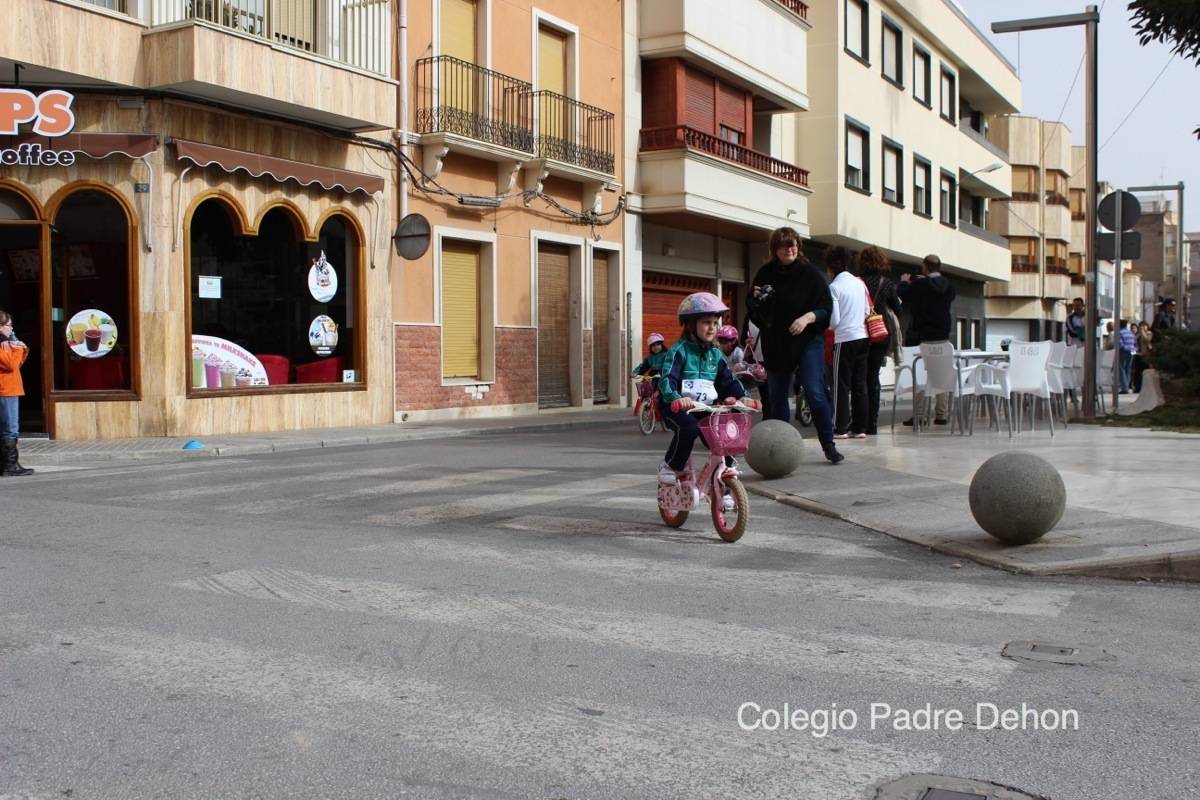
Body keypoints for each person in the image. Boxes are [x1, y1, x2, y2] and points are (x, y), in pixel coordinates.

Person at [746, 227, 843, 464]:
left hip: (808, 340)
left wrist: (807, 318)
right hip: (777, 341)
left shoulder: (810, 273)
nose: (789, 249)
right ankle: (781, 449)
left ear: (798, 247)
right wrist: (756, 299)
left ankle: (828, 444)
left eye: (793, 245)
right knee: (778, 396)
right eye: (783, 245)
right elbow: (753, 308)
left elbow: (825, 309)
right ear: (775, 249)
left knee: (814, 391)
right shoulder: (765, 273)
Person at [656, 293, 758, 488]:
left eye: (715, 322)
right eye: (706, 322)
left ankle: (725, 479)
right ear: (690, 324)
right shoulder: (679, 351)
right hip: (676, 407)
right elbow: (667, 378)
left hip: (704, 407)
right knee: (689, 428)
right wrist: (676, 397)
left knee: (726, 430)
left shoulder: (715, 355)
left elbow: (728, 380)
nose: (712, 327)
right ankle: (670, 466)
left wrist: (743, 397)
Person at [897, 254, 956, 426]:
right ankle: (942, 414)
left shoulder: (920, 284)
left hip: (923, 337)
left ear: (925, 266)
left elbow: (903, 294)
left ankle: (920, 415)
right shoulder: (949, 286)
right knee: (942, 374)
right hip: (943, 337)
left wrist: (905, 281)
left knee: (921, 375)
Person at [825, 246, 870, 440]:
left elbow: (834, 321)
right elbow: (868, 311)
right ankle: (860, 427)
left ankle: (840, 427)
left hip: (844, 339)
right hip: (863, 336)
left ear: (830, 267)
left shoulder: (834, 287)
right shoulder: (860, 283)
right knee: (860, 383)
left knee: (840, 383)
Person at [858, 245, 902, 435]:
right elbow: (898, 310)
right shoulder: (887, 284)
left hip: (860, 333)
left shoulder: (857, 282)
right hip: (880, 333)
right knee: (873, 377)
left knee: (859, 378)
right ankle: (872, 424)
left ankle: (858, 420)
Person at [0, 310, 35, 477]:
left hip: (9, 388)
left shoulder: (6, 344)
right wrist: (18, 349)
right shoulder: (2, 345)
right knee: (10, 429)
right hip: (5, 390)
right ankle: (10, 466)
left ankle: (6, 464)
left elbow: (17, 363)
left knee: (6, 428)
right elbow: (11, 365)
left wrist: (19, 348)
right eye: (8, 325)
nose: (11, 328)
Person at [631, 332, 669, 417]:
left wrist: (663, 373)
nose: (656, 347)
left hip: (664, 375)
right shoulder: (650, 358)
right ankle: (647, 406)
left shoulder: (667, 355)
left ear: (662, 345)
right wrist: (635, 373)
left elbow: (668, 366)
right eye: (653, 345)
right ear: (650, 347)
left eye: (658, 344)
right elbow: (643, 367)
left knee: (662, 394)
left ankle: (664, 411)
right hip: (653, 376)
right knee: (645, 387)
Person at [1117, 319, 1137, 393]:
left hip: (1123, 352)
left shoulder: (1119, 333)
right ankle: (1127, 386)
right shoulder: (1131, 333)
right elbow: (1135, 344)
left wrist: (1125, 348)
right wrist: (1133, 350)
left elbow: (1120, 344)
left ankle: (1124, 388)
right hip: (1132, 352)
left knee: (1121, 369)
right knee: (1128, 369)